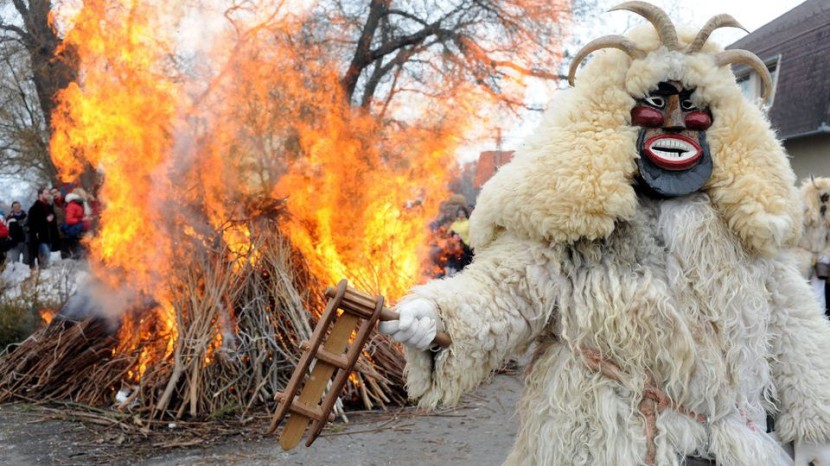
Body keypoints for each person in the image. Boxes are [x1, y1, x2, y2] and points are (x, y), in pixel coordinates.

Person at [379, 4, 830, 466]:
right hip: (599, 443)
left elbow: (794, 324)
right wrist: (438, 320)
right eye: (656, 103)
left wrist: (815, 424)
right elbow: (502, 292)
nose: (675, 121)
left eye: (693, 106)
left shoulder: (742, 231)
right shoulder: (577, 221)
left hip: (727, 447)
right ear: (613, 116)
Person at [27, 187, 58, 270]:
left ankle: (42, 273)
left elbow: (53, 219)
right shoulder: (34, 208)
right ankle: (42, 272)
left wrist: (52, 218)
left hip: (49, 236)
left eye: (48, 194)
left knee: (46, 256)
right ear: (40, 195)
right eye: (46, 194)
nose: (48, 196)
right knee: (46, 255)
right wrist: (45, 220)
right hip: (39, 237)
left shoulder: (49, 207)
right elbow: (31, 224)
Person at [61, 191, 86, 258]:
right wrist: (80, 220)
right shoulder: (72, 205)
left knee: (78, 249)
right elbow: (69, 220)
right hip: (76, 231)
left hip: (79, 231)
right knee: (77, 250)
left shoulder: (78, 205)